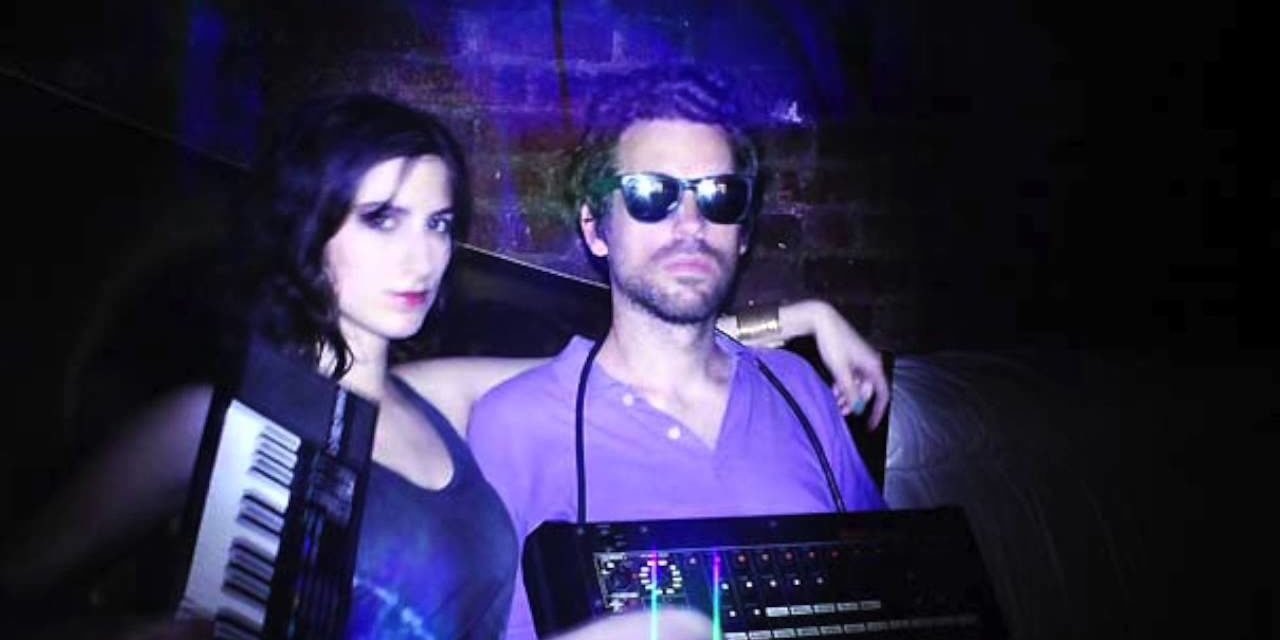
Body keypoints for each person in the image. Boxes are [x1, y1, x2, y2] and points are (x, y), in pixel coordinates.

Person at [0, 92, 886, 639]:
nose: (420, 257)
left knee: (677, 630)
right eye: (382, 219)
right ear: (310, 226)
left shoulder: (445, 401)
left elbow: (646, 352)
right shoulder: (220, 420)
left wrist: (800, 318)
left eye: (438, 224)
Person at [467, 66, 889, 639]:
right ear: (594, 229)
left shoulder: (800, 391)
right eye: (651, 194)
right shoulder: (517, 425)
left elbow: (886, 594)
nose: (691, 225)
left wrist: (811, 315)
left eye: (719, 195)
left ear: (743, 231)